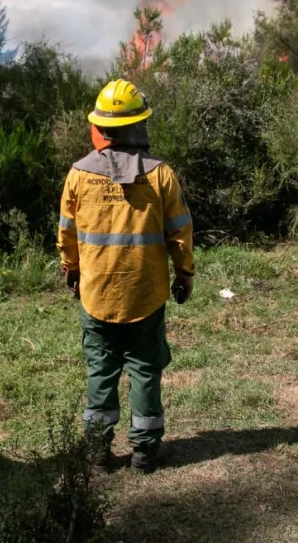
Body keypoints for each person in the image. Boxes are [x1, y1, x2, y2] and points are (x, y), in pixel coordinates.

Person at [57, 79, 195, 474]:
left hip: (96, 294)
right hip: (145, 295)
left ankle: (98, 453)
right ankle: (145, 453)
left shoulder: (78, 175)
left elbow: (66, 232)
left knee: (101, 369)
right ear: (140, 125)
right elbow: (180, 232)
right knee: (145, 368)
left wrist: (72, 270)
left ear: (101, 127)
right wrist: (184, 275)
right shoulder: (161, 175)